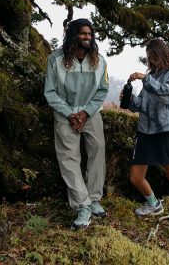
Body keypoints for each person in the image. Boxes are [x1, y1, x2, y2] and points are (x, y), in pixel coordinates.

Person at [121, 39, 169, 247]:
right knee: (135, 177)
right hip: (145, 132)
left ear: (161, 53)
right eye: (148, 56)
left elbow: (168, 96)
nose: (150, 59)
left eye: (153, 55)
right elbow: (139, 106)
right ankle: (154, 204)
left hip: (166, 131)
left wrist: (145, 79)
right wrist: (129, 99)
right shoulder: (151, 77)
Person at [44, 18, 109, 230]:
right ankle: (83, 205)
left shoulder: (99, 61)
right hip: (65, 115)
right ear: (72, 35)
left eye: (90, 34)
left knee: (97, 151)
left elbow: (102, 91)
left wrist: (85, 113)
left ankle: (94, 198)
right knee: (69, 158)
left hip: (90, 114)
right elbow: (50, 92)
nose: (87, 38)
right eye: (83, 33)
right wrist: (70, 114)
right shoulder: (55, 60)